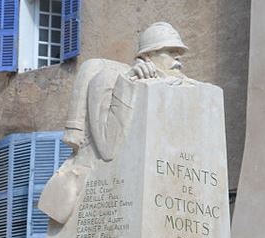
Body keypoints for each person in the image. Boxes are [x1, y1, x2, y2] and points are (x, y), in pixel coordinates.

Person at [38, 22, 190, 224]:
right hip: (88, 174)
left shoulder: (176, 87)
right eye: (169, 52)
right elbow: (108, 149)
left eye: (179, 52)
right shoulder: (111, 80)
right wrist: (128, 84)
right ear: (146, 57)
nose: (177, 58)